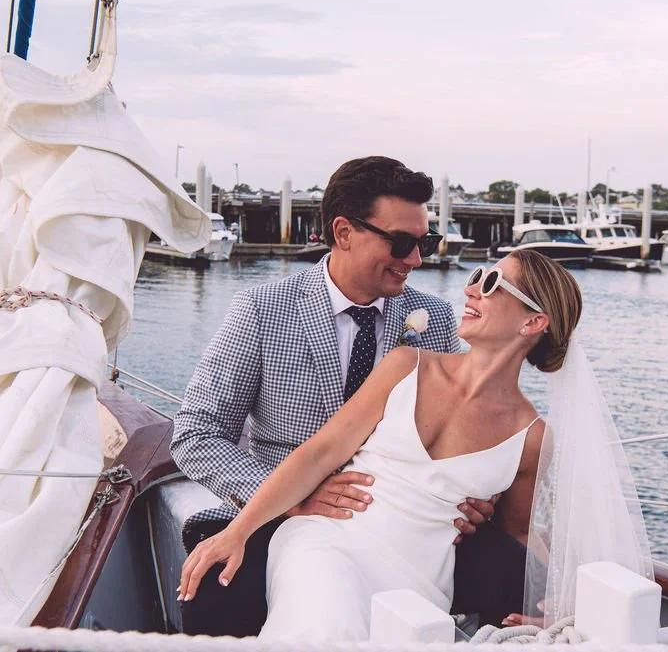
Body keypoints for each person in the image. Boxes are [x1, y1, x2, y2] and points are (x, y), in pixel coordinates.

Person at [179, 251, 651, 641]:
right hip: (329, 539)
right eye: (476, 276)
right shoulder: (406, 365)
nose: (471, 289)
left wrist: (566, 605)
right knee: (326, 623)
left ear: (533, 322)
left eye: (491, 283)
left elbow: (520, 535)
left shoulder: (532, 438)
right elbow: (320, 453)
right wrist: (237, 531)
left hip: (421, 581)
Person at [171, 156, 527, 636]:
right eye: (401, 243)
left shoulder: (436, 319)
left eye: (424, 243)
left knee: (510, 567)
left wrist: (475, 499)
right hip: (282, 516)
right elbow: (197, 433)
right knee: (215, 590)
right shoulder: (262, 310)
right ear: (344, 233)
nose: (416, 260)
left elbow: (465, 428)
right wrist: (293, 497)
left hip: (410, 529)